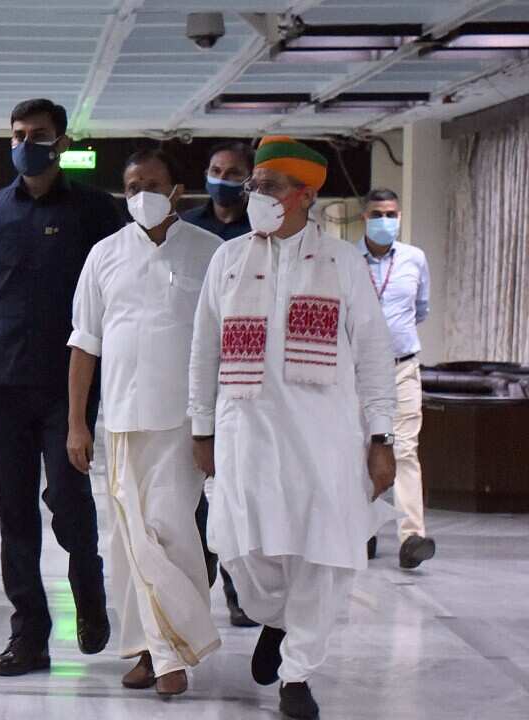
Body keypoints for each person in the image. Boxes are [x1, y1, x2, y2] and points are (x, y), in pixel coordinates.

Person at [188, 136, 396, 720]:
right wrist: (200, 426)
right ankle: (275, 619)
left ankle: (297, 674)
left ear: (306, 194)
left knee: (320, 555)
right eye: (255, 184)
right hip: (244, 432)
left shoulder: (343, 263)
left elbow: (377, 356)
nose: (256, 193)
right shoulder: (227, 261)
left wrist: (382, 438)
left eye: (270, 185)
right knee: (242, 553)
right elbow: (203, 350)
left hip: (323, 438)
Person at [0, 98, 123, 677]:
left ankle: (89, 592)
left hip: (71, 388)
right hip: (1, 384)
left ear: (62, 142)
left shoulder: (97, 211)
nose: (26, 142)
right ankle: (30, 636)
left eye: (38, 134)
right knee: (15, 515)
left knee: (69, 505)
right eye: (17, 133)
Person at [66, 148, 222, 697]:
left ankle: (169, 654)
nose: (141, 195)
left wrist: (216, 426)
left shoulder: (211, 252)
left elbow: (223, 346)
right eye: (132, 186)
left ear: (176, 189)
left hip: (185, 421)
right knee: (130, 538)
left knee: (171, 530)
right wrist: (76, 424)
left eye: (152, 185)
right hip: (121, 419)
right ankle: (152, 651)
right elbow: (85, 343)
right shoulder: (104, 255)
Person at [182, 140, 258, 628]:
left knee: (236, 495)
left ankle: (240, 591)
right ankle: (195, 589)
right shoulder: (188, 229)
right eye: (214, 170)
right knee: (193, 496)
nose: (222, 178)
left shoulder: (261, 231)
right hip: (192, 375)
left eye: (233, 172)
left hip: (246, 383)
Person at [359, 188, 435, 569]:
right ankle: (364, 530)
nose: (385, 220)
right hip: (358, 371)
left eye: (391, 213)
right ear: (364, 218)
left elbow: (420, 309)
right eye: (377, 214)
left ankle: (412, 538)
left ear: (400, 216)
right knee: (361, 448)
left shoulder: (414, 259)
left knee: (404, 449)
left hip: (403, 366)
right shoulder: (346, 260)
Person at [183, 140, 253, 241]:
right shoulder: (187, 223)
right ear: (206, 174)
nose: (221, 178)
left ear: (250, 180)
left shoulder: (260, 227)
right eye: (216, 171)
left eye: (233, 173)